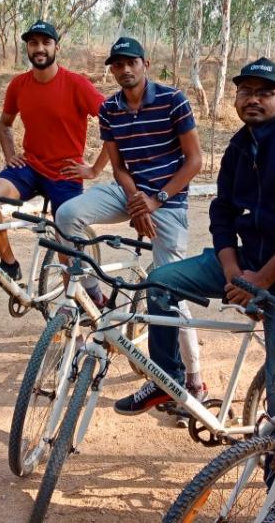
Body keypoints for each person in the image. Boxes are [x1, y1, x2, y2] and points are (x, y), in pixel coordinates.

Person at [123, 57, 275, 422]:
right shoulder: (240, 146)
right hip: (248, 263)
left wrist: (261, 281)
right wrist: (232, 272)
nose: (252, 99)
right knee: (159, 283)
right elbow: (222, 212)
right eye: (245, 91)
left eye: (264, 92)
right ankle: (168, 379)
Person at [54, 37, 207, 408]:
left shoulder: (173, 101)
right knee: (66, 215)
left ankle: (194, 379)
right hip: (131, 193)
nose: (124, 70)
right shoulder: (110, 109)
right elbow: (119, 165)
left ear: (145, 63)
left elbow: (195, 161)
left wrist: (156, 200)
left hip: (169, 199)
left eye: (131, 62)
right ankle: (94, 292)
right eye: (117, 64)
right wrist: (136, 199)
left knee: (168, 286)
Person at [0, 20, 106, 286]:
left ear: (56, 47)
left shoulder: (76, 84)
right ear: (27, 47)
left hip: (65, 174)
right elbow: (5, 124)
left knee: (66, 253)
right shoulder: (19, 85)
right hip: (30, 167)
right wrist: (10, 154)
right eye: (33, 43)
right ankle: (9, 265)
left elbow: (114, 122)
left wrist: (94, 168)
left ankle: (81, 307)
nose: (39, 48)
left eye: (46, 42)